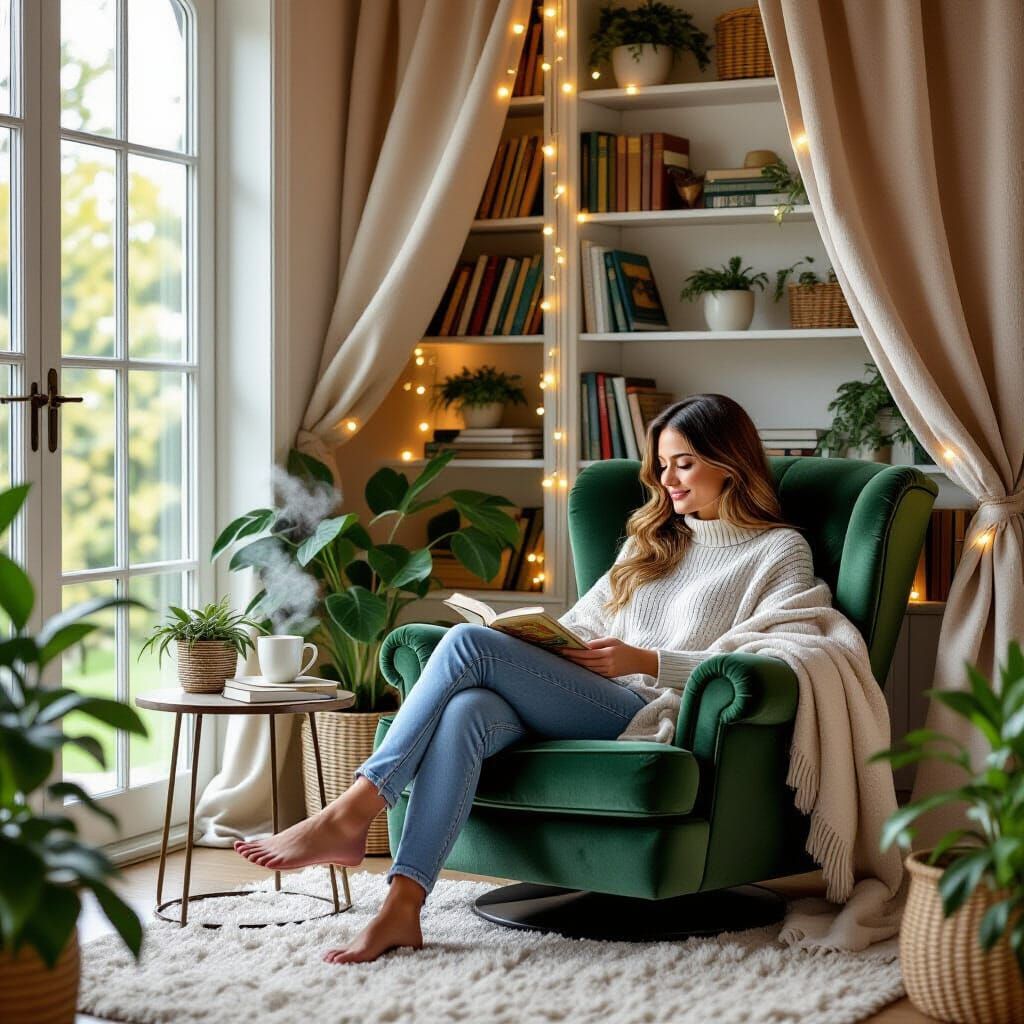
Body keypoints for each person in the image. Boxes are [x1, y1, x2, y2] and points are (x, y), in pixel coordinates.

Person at [234, 393, 817, 964]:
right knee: (466, 710)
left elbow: (784, 654)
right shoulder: (653, 541)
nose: (668, 480)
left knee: (465, 645)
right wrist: (537, 641)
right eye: (662, 466)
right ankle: (402, 906)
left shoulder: (776, 549)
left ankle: (350, 811)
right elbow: (582, 622)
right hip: (588, 692)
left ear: (730, 461)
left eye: (684, 463)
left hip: (647, 709)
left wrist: (645, 661)